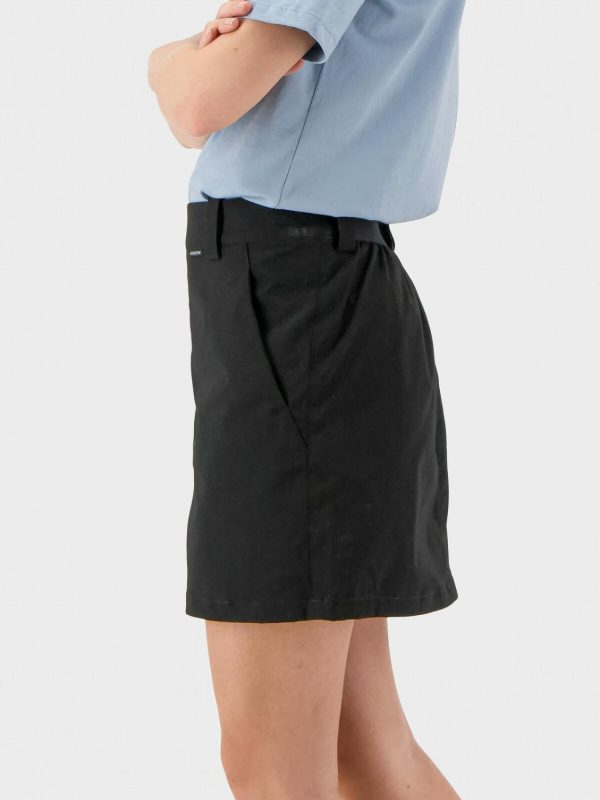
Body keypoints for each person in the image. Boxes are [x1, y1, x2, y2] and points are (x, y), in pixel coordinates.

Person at [148, 0, 465, 797]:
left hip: (296, 308)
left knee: (274, 770)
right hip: (324, 297)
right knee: (369, 751)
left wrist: (166, 59)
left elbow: (196, 104)